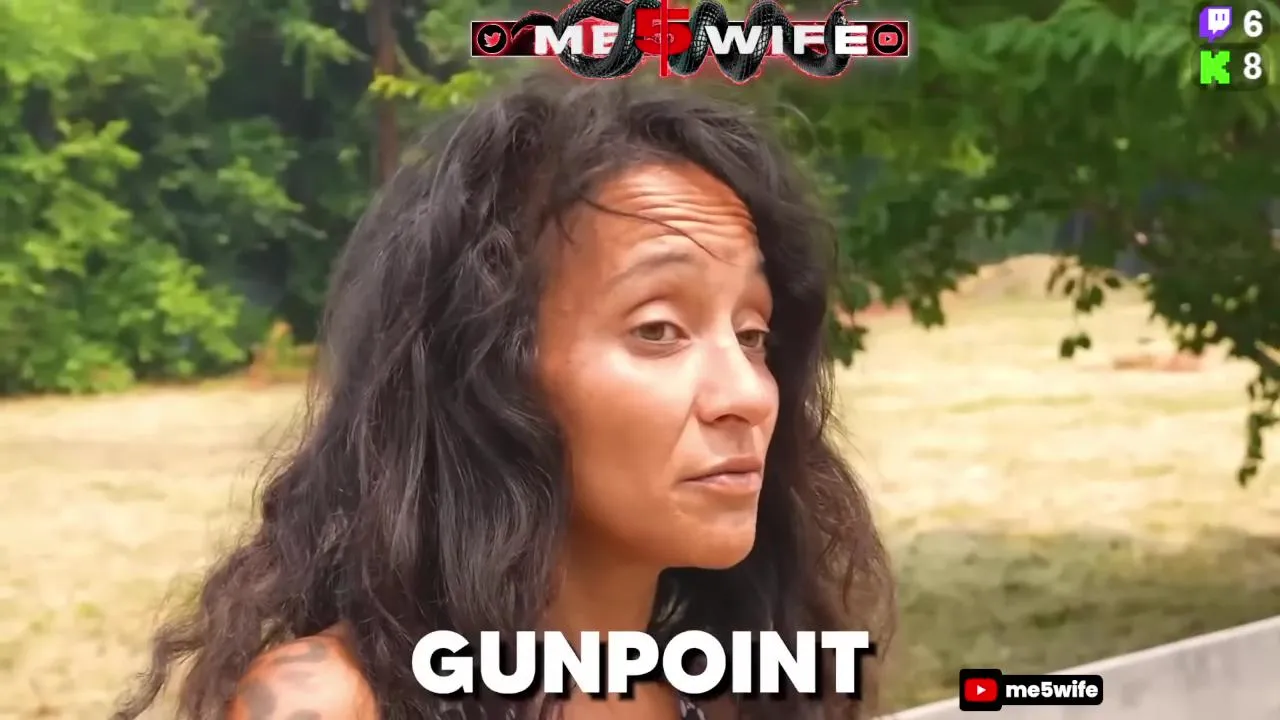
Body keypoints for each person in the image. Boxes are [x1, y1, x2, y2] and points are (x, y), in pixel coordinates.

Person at [113, 73, 894, 720]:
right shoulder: (333, 703)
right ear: (490, 373)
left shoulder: (738, 697)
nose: (747, 395)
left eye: (753, 335)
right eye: (658, 329)